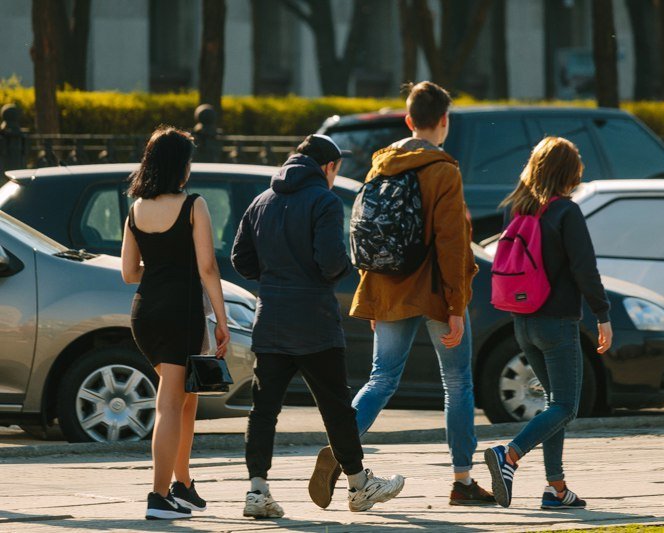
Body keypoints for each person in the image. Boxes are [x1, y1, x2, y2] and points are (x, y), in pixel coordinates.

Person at [310, 81, 493, 507]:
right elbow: (451, 245)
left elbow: (364, 234)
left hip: (388, 289)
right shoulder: (443, 170)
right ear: (443, 121)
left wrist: (372, 297)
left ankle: (343, 447)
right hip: (432, 292)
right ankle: (463, 482)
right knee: (458, 382)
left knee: (381, 378)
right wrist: (456, 306)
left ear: (409, 120)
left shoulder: (380, 166)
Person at [231, 134, 405, 518]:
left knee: (263, 410)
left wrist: (275, 277)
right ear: (328, 167)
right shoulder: (324, 201)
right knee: (336, 408)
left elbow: (241, 259)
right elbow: (329, 261)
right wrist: (342, 270)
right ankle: (359, 485)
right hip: (314, 322)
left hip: (272, 320)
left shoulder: (261, 201)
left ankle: (257, 491)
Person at [484, 137, 612, 510]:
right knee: (567, 406)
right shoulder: (565, 212)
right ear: (568, 174)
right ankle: (510, 454)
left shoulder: (517, 208)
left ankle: (556, 490)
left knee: (553, 405)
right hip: (556, 324)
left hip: (522, 322)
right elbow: (585, 269)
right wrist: (603, 314)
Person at [121, 125, 230, 520]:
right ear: (179, 167)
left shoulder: (136, 208)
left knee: (186, 398)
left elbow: (129, 272)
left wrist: (163, 264)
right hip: (180, 314)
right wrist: (222, 319)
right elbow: (207, 267)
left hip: (145, 312)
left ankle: (182, 484)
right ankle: (158, 496)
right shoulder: (193, 204)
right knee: (170, 403)